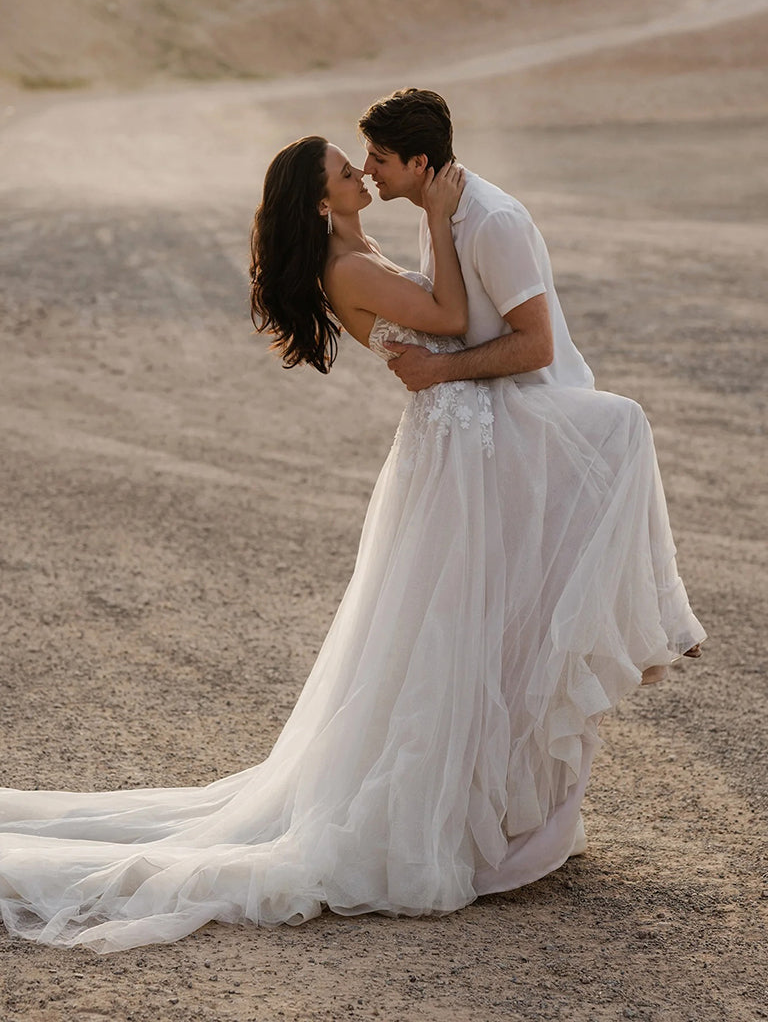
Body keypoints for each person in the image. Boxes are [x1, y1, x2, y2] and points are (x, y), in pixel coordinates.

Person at [0, 126, 705, 953]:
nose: (361, 175)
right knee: (488, 583)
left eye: (362, 162)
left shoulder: (363, 250)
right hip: (454, 452)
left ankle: (534, 776)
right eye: (346, 171)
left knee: (485, 608)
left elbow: (449, 319)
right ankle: (642, 642)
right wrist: (441, 217)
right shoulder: (351, 268)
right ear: (320, 198)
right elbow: (446, 314)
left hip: (465, 441)